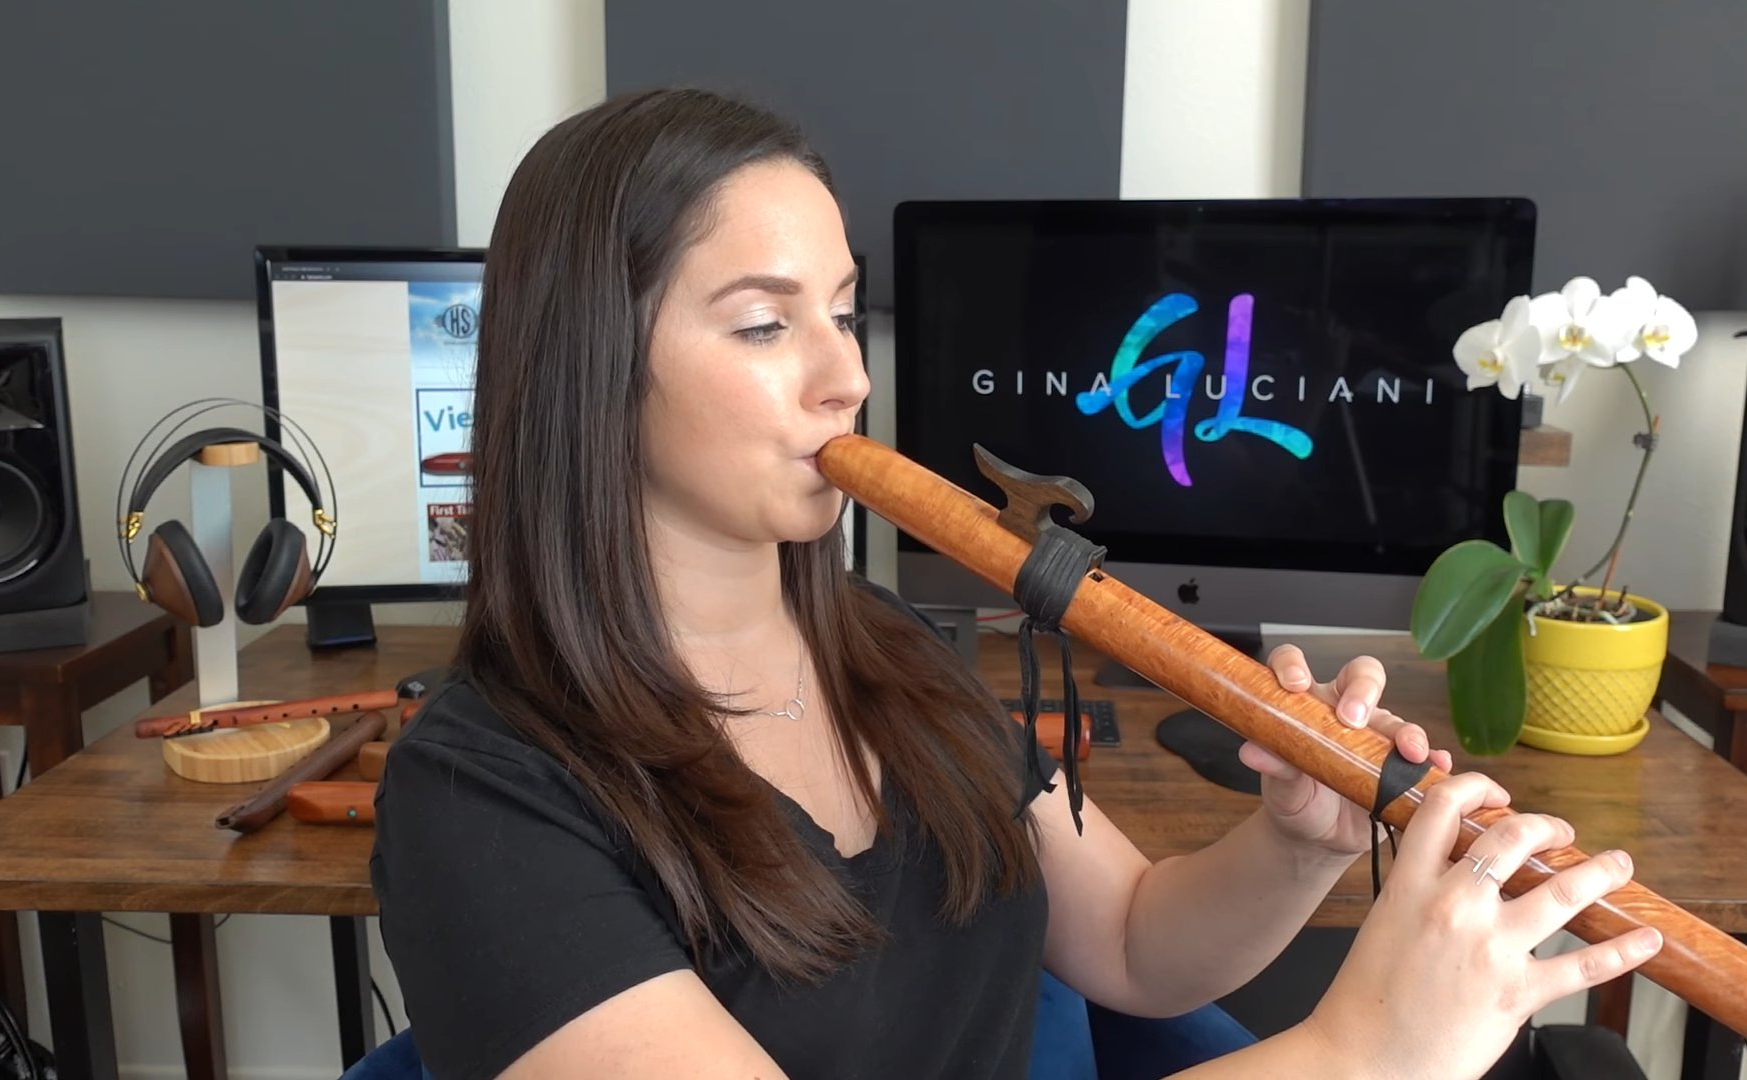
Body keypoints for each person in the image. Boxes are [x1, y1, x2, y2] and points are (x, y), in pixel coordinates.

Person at [369, 88, 1662, 1080]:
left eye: (841, 309)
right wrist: (1352, 1052)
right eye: (766, 324)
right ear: (590, 361)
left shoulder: (884, 651)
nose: (845, 379)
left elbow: (1140, 945)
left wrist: (1290, 845)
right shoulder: (484, 799)